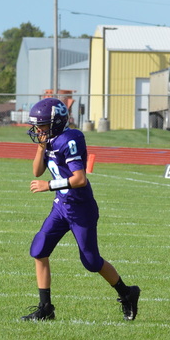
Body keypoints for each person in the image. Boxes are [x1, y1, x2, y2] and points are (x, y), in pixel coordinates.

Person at [21, 98, 140, 321]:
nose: (38, 130)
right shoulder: (50, 139)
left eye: (42, 125)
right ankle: (46, 308)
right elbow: (37, 171)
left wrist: (49, 185)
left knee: (91, 262)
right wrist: (41, 145)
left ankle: (127, 293)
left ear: (56, 123)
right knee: (39, 250)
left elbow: (79, 179)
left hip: (81, 209)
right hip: (61, 207)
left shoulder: (71, 139)